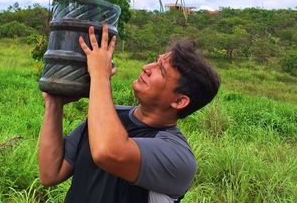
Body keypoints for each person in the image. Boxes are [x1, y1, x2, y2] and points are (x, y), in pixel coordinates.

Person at [38, 25, 220, 203]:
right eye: (155, 61)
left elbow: (108, 152)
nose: (146, 67)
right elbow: (50, 173)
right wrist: (54, 102)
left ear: (179, 102)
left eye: (161, 70)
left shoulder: (178, 158)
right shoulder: (108, 118)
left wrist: (100, 75)